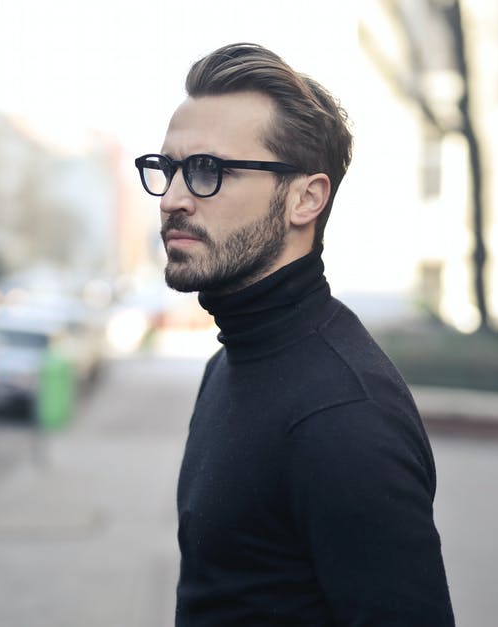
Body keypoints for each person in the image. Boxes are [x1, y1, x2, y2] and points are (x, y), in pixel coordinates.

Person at [135, 43, 455, 625]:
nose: (174, 199)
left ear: (306, 198)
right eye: (169, 169)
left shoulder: (344, 413)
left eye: (208, 171)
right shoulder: (229, 363)